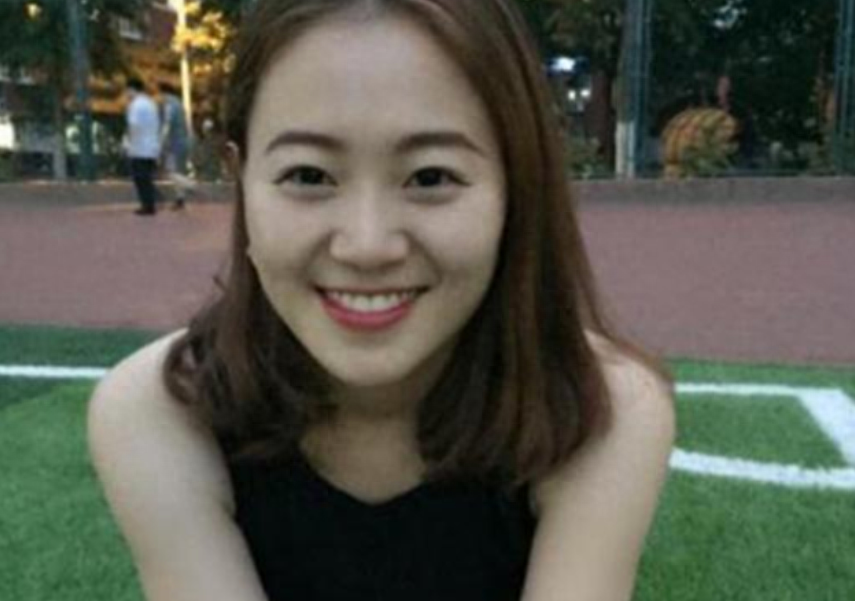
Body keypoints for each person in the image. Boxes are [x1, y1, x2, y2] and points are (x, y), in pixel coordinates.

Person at [89, 1, 675, 600]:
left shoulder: (598, 407)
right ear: (241, 180)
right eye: (309, 176)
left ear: (515, 184)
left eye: (430, 177)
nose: (367, 246)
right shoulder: (159, 410)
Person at [124, 77, 161, 216]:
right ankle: (149, 204)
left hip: (139, 147)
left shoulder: (135, 105)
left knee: (140, 178)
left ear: (132, 89)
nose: (126, 94)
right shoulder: (150, 103)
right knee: (147, 178)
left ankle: (146, 205)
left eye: (127, 91)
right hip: (151, 146)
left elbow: (133, 126)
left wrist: (129, 143)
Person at [159, 82, 196, 209]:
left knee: (170, 171)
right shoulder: (179, 104)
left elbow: (167, 125)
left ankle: (190, 185)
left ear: (164, 93)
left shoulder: (170, 105)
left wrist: (161, 141)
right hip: (184, 141)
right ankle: (180, 198)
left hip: (174, 143)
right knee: (180, 170)